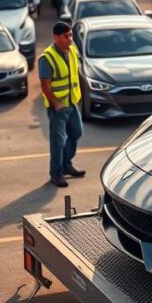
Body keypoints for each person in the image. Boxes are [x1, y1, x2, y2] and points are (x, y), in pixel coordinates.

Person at [39, 21, 87, 187]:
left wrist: (78, 96)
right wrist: (55, 103)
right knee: (58, 141)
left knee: (76, 133)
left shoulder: (72, 50)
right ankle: (56, 174)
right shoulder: (47, 57)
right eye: (66, 36)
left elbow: (74, 76)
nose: (70, 39)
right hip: (58, 107)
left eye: (71, 35)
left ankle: (67, 165)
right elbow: (45, 85)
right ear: (56, 37)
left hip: (72, 102)